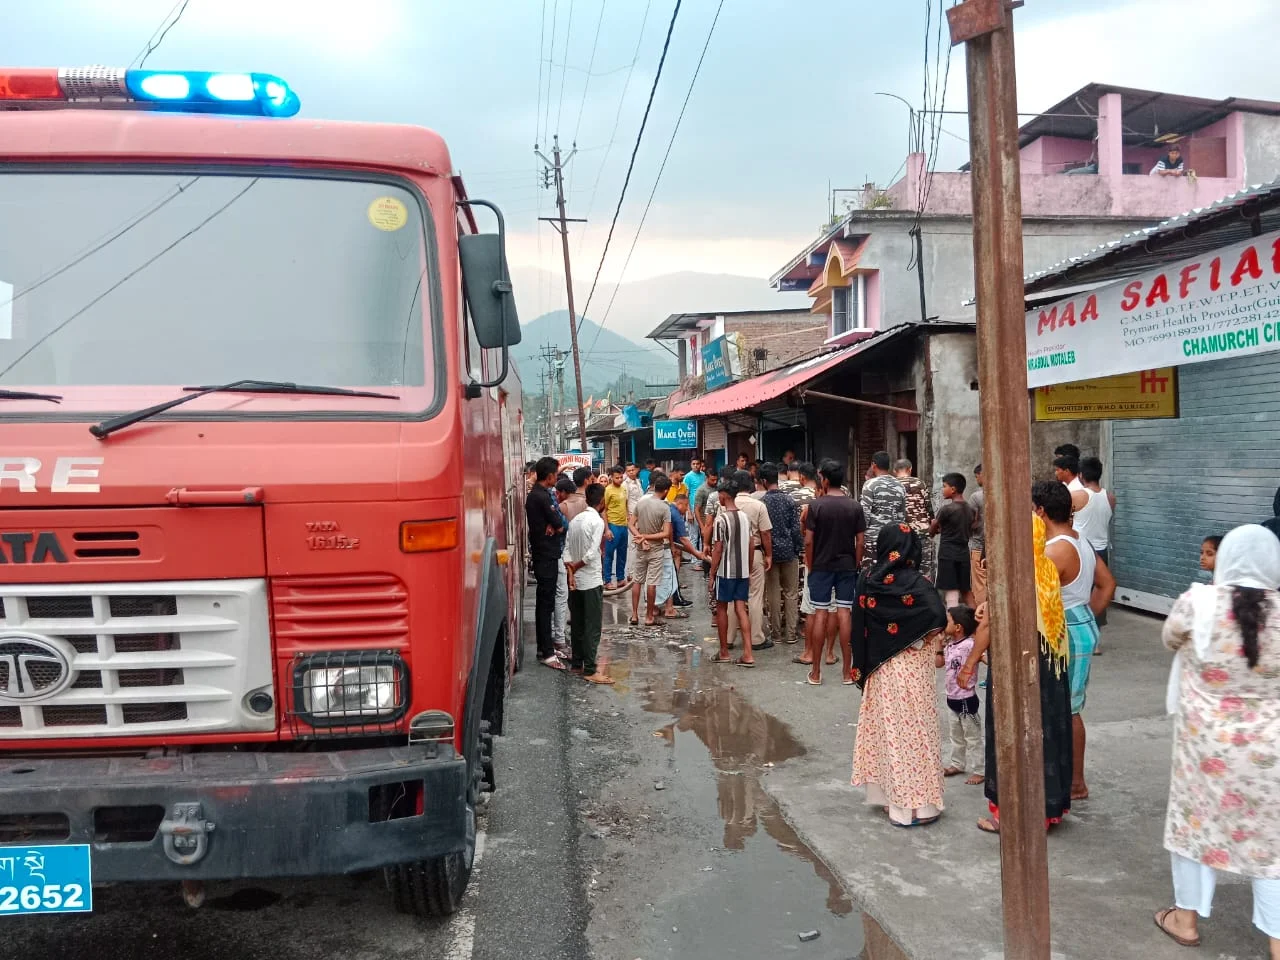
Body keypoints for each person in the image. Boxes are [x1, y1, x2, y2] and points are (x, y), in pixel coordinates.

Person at [1153, 525, 1280, 952]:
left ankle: (1186, 920)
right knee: (1273, 845)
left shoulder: (1198, 604)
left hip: (1204, 747)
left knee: (1194, 825)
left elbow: (1170, 638)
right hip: (1271, 750)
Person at [962, 511, 1074, 833]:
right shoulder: (1046, 569)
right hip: (1049, 665)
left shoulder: (1013, 576)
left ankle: (1011, 815)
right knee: (1046, 733)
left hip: (1018, 666)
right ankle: (1046, 812)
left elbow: (989, 626)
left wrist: (970, 664)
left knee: (1012, 737)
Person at [850, 523, 949, 826]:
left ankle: (896, 805)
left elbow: (857, 623)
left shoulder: (868, 579)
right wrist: (918, 639)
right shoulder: (919, 583)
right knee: (918, 733)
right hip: (914, 671)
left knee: (889, 734)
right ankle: (922, 808)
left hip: (882, 669)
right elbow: (938, 617)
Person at [1035, 479, 1116, 802]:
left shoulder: (1055, 551)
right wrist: (1086, 617)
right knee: (1070, 706)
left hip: (1063, 628)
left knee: (1065, 708)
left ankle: (1075, 782)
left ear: (1040, 511)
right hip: (1079, 622)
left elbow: (1033, 597)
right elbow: (1107, 584)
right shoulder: (1080, 541)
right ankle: (1073, 779)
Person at [801, 459, 866, 684]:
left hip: (820, 566)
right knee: (844, 613)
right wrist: (856, 563)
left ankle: (816, 673)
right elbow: (860, 541)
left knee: (820, 612)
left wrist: (810, 564)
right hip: (847, 565)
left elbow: (808, 541)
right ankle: (847, 673)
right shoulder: (854, 506)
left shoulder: (816, 506)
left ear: (825, 480)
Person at [564, 483, 614, 685]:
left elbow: (566, 548)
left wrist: (570, 570)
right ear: (602, 502)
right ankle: (591, 669)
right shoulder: (597, 521)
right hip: (590, 580)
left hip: (575, 582)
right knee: (592, 626)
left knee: (577, 624)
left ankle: (577, 664)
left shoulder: (576, 520)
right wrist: (576, 567)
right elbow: (593, 553)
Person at [709, 475, 756, 668]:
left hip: (725, 571)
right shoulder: (745, 517)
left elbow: (718, 548)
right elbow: (751, 544)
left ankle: (724, 651)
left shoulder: (721, 520)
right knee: (740, 608)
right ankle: (748, 653)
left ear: (723, 495)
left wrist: (711, 574)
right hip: (742, 571)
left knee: (722, 608)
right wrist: (749, 567)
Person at [526, 456, 567, 669]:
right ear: (549, 475)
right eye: (556, 474)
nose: (557, 477)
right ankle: (546, 652)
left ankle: (547, 646)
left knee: (548, 603)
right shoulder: (540, 497)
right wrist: (554, 526)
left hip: (547, 554)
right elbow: (560, 524)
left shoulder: (542, 495)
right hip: (545, 555)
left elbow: (558, 524)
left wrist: (555, 525)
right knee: (545, 604)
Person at [727, 469, 774, 652]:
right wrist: (768, 555)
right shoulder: (758, 505)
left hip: (731, 555)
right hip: (754, 553)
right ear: (752, 484)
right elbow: (765, 534)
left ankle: (729, 637)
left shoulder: (726, 504)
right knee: (755, 596)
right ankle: (756, 638)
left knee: (731, 597)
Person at [939, 604, 984, 785]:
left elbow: (983, 656)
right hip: (952, 699)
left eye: (948, 621)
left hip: (966, 700)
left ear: (958, 627)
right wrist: (938, 645)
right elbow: (938, 663)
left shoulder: (970, 645)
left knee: (972, 737)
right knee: (955, 735)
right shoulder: (949, 645)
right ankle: (957, 763)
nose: (944, 623)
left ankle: (980, 770)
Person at [760, 463, 802, 648]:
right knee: (791, 593)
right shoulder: (789, 501)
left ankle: (776, 634)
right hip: (790, 552)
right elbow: (796, 529)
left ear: (762, 481)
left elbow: (762, 532)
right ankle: (791, 634)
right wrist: (798, 549)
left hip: (769, 554)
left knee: (773, 594)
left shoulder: (761, 503)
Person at [629, 473, 673, 626]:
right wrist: (646, 537)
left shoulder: (641, 502)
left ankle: (634, 615)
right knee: (652, 583)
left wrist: (640, 537)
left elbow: (630, 524)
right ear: (666, 490)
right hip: (656, 548)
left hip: (641, 547)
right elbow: (666, 533)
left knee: (637, 581)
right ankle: (649, 617)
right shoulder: (664, 507)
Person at [931, 472, 973, 607]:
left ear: (953, 489)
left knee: (951, 590)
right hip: (964, 553)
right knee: (966, 590)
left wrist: (933, 527)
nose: (943, 489)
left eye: (944, 486)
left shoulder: (946, 510)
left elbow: (933, 527)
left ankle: (953, 621)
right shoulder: (970, 509)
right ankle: (976, 620)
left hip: (948, 553)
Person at [860, 451, 906, 569]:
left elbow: (864, 514)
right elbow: (901, 517)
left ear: (873, 465)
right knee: (890, 573)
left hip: (873, 539)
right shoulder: (900, 486)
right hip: (893, 538)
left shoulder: (869, 485)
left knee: (870, 574)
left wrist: (860, 538)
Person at [893, 458, 935, 580]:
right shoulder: (920, 483)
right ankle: (925, 595)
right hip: (922, 532)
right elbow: (929, 508)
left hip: (901, 533)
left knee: (901, 568)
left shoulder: (893, 485)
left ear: (895, 471)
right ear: (910, 469)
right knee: (924, 568)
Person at [552, 476, 576, 656]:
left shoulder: (557, 502)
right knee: (561, 594)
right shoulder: (553, 500)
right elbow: (562, 525)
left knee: (560, 594)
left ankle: (558, 636)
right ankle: (558, 638)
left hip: (559, 553)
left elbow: (562, 525)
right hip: (558, 554)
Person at [602, 466, 630, 591]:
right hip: (613, 525)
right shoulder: (608, 490)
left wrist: (628, 518)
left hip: (623, 525)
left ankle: (620, 578)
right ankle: (607, 580)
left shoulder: (624, 489)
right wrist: (607, 529)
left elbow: (626, 504)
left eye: (621, 477)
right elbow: (604, 510)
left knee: (622, 554)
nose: (619, 479)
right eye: (616, 477)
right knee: (609, 554)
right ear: (611, 477)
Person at [969, 464, 987, 605]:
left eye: (977, 476)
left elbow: (971, 521)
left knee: (980, 583)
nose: (976, 480)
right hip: (999, 547)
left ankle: (980, 616)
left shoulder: (976, 497)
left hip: (979, 546)